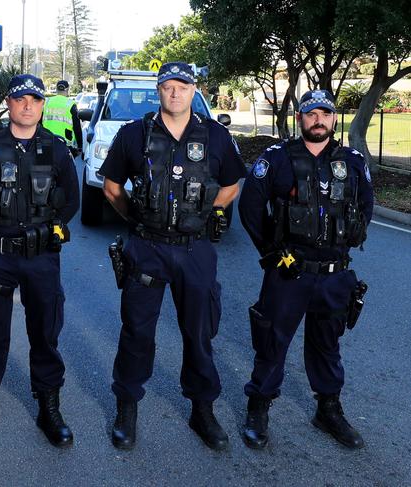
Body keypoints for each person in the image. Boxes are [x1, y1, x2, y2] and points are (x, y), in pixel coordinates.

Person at [100, 62, 246, 451]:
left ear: (194, 89)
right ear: (159, 90)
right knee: (137, 331)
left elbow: (232, 185)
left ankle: (203, 410)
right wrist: (138, 219)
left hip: (195, 249)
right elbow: (112, 187)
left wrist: (202, 214)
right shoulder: (134, 134)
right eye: (168, 87)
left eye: (183, 86)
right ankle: (127, 408)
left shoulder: (215, 135)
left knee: (199, 333)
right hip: (146, 247)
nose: (175, 93)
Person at [238, 89, 373, 450]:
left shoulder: (353, 161)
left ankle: (328, 410)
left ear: (333, 119)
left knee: (327, 345)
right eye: (311, 113)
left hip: (334, 275)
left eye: (325, 114)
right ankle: (259, 407)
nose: (319, 120)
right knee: (272, 342)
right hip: (289, 273)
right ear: (300, 118)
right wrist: (272, 252)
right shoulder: (277, 159)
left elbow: (364, 208)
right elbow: (251, 208)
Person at [0, 74, 80, 454]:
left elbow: (72, 201)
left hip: (41, 257)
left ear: (43, 106)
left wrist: (49, 232)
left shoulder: (55, 149)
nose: (28, 106)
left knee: (45, 334)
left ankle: (49, 410)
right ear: (8, 103)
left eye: (34, 100)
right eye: (20, 99)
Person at [42, 80, 83, 156]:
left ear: (56, 89)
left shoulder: (47, 102)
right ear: (67, 89)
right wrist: (80, 147)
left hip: (46, 142)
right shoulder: (70, 104)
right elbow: (77, 127)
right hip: (64, 145)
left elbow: (39, 122)